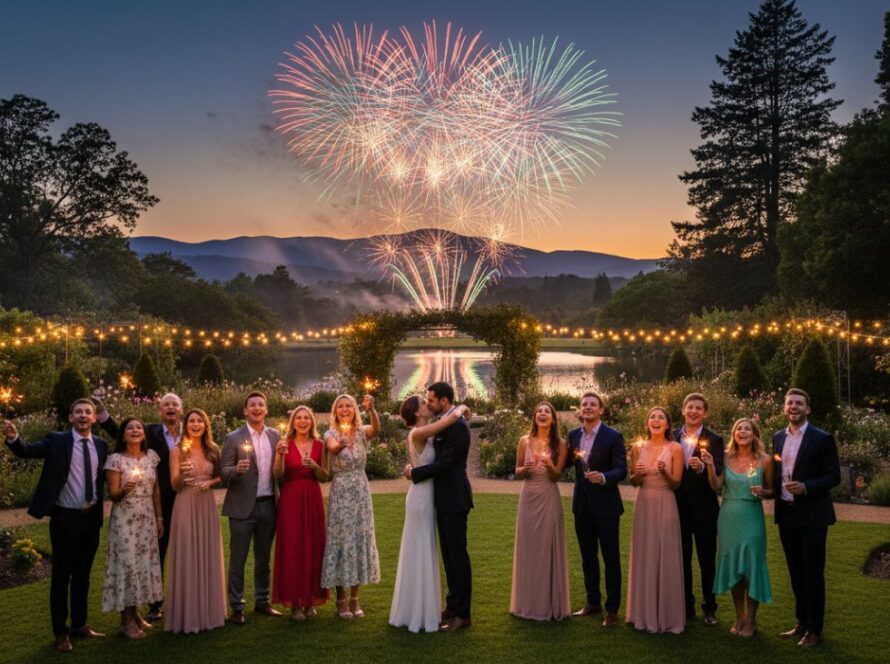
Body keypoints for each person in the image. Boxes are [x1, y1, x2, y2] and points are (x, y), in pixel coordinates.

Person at [3, 399, 109, 652]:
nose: (83, 416)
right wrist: (14, 438)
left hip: (91, 518)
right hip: (65, 518)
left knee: (83, 574)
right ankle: (61, 632)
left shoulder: (101, 445)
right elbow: (26, 450)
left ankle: (80, 624)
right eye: (78, 412)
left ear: (94, 418)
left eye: (88, 412)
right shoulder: (57, 440)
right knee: (62, 575)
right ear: (71, 417)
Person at [97, 391, 183, 622]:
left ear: (181, 409)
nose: (171, 408)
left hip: (188, 499)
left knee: (185, 549)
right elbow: (122, 433)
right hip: (159, 499)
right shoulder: (150, 432)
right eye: (166, 405)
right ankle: (155, 605)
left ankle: (186, 599)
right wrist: (103, 415)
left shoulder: (193, 430)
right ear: (160, 410)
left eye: (175, 404)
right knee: (157, 550)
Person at [390, 397, 469, 633]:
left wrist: (412, 471)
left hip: (428, 495)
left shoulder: (421, 432)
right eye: (425, 403)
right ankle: (420, 609)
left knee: (425, 548)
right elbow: (453, 418)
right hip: (422, 497)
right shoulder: (420, 432)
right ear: (417, 413)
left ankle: (426, 606)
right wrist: (463, 408)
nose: (429, 405)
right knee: (421, 548)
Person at [773, 388, 840, 647]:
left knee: (812, 572)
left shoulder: (822, 439)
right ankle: (801, 621)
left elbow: (834, 476)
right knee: (795, 572)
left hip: (812, 515)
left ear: (807, 409)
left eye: (799, 403)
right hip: (787, 514)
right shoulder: (778, 437)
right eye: (790, 403)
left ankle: (814, 629)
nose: (794, 407)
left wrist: (807, 487)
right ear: (784, 408)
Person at [702, 418, 774, 637]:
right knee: (734, 568)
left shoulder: (765, 460)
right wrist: (710, 467)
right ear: (734, 434)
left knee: (751, 569)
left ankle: (751, 620)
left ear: (755, 434)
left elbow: (773, 490)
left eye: (747, 428)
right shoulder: (724, 457)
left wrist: (764, 492)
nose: (742, 431)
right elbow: (716, 486)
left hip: (752, 517)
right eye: (738, 429)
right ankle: (740, 617)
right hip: (728, 517)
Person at [221, 391, 283, 624]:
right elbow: (223, 472)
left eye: (261, 405)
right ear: (245, 411)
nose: (257, 408)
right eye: (252, 405)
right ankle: (237, 606)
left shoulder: (276, 436)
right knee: (238, 559)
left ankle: (262, 601)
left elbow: (281, 470)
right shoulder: (233, 438)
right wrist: (236, 469)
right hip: (241, 508)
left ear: (266, 410)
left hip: (268, 505)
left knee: (263, 558)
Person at [566, 392, 627, 627]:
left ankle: (612, 609)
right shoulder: (573, 436)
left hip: (607, 507)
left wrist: (603, 477)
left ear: (601, 410)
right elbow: (566, 463)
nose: (588, 407)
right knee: (587, 556)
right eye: (584, 404)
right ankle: (593, 602)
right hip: (581, 505)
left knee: (610, 557)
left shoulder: (613, 436)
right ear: (580, 410)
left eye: (593, 404)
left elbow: (621, 469)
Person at [102, 417, 164, 638]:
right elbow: (113, 495)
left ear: (144, 434)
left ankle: (137, 613)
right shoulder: (115, 460)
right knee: (127, 566)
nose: (135, 430)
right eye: (130, 428)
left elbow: (156, 490)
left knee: (141, 565)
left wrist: (159, 519)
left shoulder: (151, 457)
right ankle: (125, 620)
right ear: (123, 434)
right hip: (125, 519)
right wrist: (126, 489)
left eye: (139, 427)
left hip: (147, 517)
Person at [165, 408, 226, 633]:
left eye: (200, 420)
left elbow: (220, 476)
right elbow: (175, 485)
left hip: (206, 504)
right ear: (186, 425)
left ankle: (210, 612)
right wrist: (182, 471)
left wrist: (210, 483)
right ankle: (188, 615)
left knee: (207, 553)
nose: (196, 424)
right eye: (192, 420)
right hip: (185, 502)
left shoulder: (213, 449)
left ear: (205, 425)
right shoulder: (177, 450)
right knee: (188, 553)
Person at [626, 406, 686, 634]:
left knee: (665, 553)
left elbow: (676, 483)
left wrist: (665, 472)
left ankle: (666, 614)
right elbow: (633, 481)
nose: (656, 420)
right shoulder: (637, 447)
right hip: (644, 505)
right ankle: (643, 612)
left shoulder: (675, 448)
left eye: (661, 417)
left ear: (668, 425)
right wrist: (638, 473)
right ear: (647, 423)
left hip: (666, 503)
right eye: (652, 416)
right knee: (646, 554)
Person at [321, 393, 381, 618]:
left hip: (360, 490)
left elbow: (376, 428)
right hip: (341, 490)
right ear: (335, 411)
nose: (345, 409)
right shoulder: (330, 434)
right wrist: (343, 442)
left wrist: (372, 409)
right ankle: (340, 599)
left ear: (355, 409)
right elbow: (333, 448)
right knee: (341, 540)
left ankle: (355, 597)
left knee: (358, 537)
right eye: (340, 406)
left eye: (349, 406)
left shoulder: (363, 431)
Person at [510, 401, 570, 621]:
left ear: (553, 419)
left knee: (547, 546)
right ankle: (526, 602)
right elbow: (517, 472)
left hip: (548, 495)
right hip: (528, 496)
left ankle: (547, 603)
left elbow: (557, 476)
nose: (543, 414)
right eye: (539, 411)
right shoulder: (524, 441)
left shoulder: (561, 444)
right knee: (529, 547)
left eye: (547, 412)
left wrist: (550, 466)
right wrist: (524, 469)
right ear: (534, 417)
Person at [272, 405, 329, 620]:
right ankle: (294, 603)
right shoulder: (284, 445)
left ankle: (310, 600)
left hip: (312, 499)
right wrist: (279, 455)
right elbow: (277, 474)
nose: (303, 421)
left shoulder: (320, 444)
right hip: (291, 499)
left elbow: (324, 476)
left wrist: (314, 466)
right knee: (293, 547)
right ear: (293, 422)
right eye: (299, 418)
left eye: (307, 418)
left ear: (312, 421)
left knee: (313, 547)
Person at [673, 392, 724, 625]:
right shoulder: (672, 436)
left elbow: (719, 474)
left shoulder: (714, 439)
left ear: (705, 413)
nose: (693, 411)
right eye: (689, 407)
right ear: (683, 410)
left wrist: (704, 469)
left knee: (706, 560)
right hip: (677, 508)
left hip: (704, 509)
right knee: (682, 558)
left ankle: (710, 607)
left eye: (698, 408)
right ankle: (686, 604)